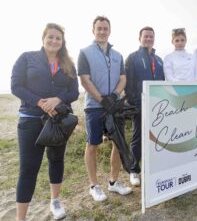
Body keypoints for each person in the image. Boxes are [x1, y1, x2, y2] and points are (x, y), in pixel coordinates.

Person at [11, 23, 79, 220]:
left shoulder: (68, 64)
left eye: (58, 38)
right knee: (28, 168)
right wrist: (39, 102)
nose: (54, 40)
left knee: (56, 160)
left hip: (59, 120)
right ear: (43, 38)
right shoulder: (26, 58)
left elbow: (74, 91)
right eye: (50, 36)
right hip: (30, 119)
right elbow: (16, 86)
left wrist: (58, 99)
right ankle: (20, 217)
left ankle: (55, 200)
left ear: (62, 41)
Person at [78, 16, 132, 202]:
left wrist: (115, 96)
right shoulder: (84, 52)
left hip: (115, 107)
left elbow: (123, 79)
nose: (102, 31)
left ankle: (114, 182)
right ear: (93, 30)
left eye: (105, 28)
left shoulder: (118, 55)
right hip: (94, 107)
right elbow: (85, 80)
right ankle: (94, 186)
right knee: (92, 145)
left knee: (117, 144)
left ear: (110, 30)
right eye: (99, 28)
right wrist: (102, 100)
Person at [125, 26, 165, 186]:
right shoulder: (132, 58)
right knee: (138, 137)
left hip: (158, 106)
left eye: (151, 37)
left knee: (156, 136)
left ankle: (153, 167)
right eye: (145, 36)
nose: (148, 39)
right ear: (140, 38)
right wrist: (134, 101)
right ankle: (134, 170)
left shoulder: (159, 60)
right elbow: (128, 83)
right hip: (139, 105)